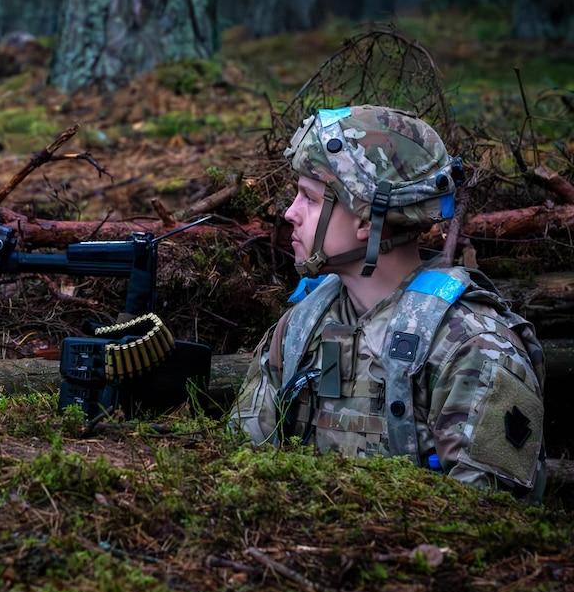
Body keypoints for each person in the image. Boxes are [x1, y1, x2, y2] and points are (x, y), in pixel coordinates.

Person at [231, 105, 546, 501]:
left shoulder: (473, 347)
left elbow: (490, 527)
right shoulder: (302, 325)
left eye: (309, 199)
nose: (289, 213)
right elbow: (239, 469)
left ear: (366, 221)